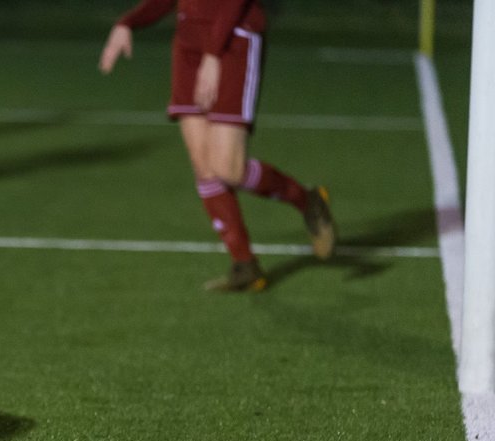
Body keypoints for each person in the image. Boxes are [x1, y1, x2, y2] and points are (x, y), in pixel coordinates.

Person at [98, 0, 336, 292]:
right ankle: (245, 265)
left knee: (228, 169)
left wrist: (213, 55)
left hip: (233, 39)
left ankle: (308, 201)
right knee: (204, 167)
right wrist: (128, 22)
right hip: (189, 43)